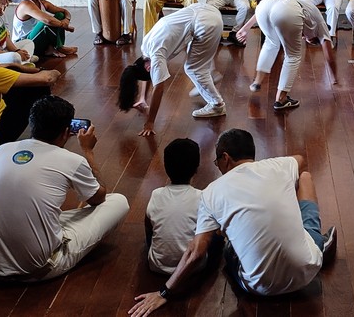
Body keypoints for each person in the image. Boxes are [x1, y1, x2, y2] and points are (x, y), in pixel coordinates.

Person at [129, 129, 336, 315]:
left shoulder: (211, 192)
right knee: (306, 176)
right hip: (309, 270)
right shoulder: (278, 166)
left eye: (217, 160)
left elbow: (196, 251)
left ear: (225, 157)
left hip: (259, 288)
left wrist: (164, 292)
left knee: (229, 247)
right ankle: (319, 243)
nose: (217, 165)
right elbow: (301, 159)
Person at [0, 95, 129, 281]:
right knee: (118, 201)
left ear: (32, 124)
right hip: (36, 269)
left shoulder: (2, 150)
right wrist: (88, 151)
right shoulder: (71, 160)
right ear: (66, 132)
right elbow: (99, 198)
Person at [118, 3, 226, 132]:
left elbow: (158, 88)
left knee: (194, 69)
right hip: (208, 10)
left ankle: (217, 104)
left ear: (148, 68)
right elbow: (147, 73)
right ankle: (207, 82)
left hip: (206, 24)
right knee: (196, 62)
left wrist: (150, 122)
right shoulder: (146, 46)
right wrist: (143, 98)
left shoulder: (156, 56)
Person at [236, 0, 337, 111]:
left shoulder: (309, 12)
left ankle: (256, 83)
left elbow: (264, 9)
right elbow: (329, 56)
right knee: (293, 55)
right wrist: (334, 77)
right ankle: (281, 99)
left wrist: (245, 28)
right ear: (315, 38)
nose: (305, 39)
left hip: (264, 5)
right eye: (310, 40)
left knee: (271, 44)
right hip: (286, 10)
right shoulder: (322, 27)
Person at [145, 138, 203, 274]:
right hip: (193, 268)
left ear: (165, 167)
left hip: (157, 266)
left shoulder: (156, 194)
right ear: (196, 168)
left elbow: (148, 227)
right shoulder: (202, 197)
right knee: (216, 237)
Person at [12, 0, 78, 59]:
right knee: (46, 23)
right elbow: (48, 20)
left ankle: (52, 48)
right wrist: (65, 26)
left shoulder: (42, 2)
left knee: (59, 16)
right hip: (23, 44)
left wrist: (67, 20)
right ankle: (59, 47)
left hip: (34, 38)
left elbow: (64, 12)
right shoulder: (26, 4)